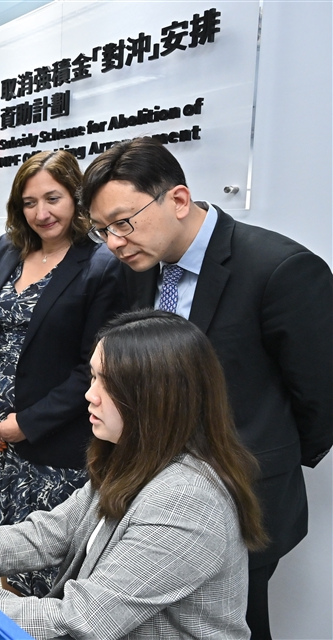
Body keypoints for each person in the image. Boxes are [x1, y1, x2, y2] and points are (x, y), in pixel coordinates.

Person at [0, 310, 268, 639]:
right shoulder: (135, 459)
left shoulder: (185, 502)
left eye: (106, 382)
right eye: (93, 377)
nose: (89, 394)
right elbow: (48, 534)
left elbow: (81, 620)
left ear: (155, 397)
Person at [79, 137, 333, 638]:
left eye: (123, 223)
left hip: (245, 498)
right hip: (148, 492)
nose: (114, 243)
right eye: (102, 230)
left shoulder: (279, 269)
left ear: (177, 199)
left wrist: (252, 459)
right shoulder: (135, 268)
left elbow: (321, 398)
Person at [0, 150, 126, 597]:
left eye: (53, 199)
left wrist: (28, 423)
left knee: (44, 578)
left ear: (76, 197)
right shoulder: (7, 249)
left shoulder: (101, 265)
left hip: (54, 445)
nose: (41, 213)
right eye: (29, 202)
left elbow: (93, 367)